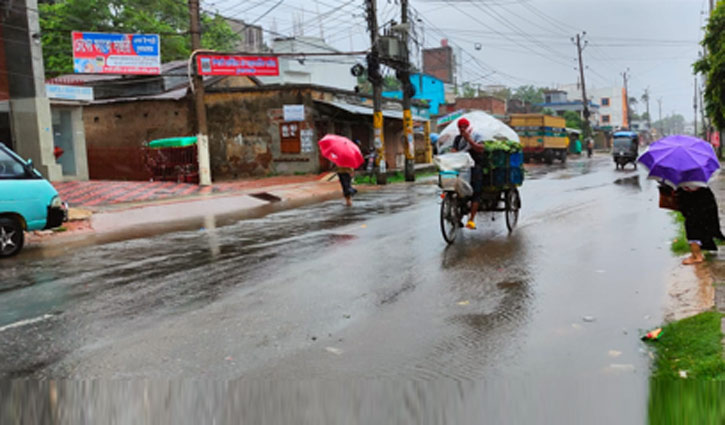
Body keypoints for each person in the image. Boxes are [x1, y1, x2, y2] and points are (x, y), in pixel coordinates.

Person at [675, 184, 725, 265]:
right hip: (704, 202)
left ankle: (697, 256)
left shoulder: (687, 183)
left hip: (696, 205)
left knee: (692, 229)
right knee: (700, 226)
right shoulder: (700, 182)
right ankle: (697, 253)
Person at [451, 118, 485, 230]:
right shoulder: (458, 139)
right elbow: (454, 150)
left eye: (464, 126)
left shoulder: (477, 135)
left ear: (468, 126)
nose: (462, 129)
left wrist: (469, 140)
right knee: (458, 190)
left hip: (475, 167)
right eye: (460, 127)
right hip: (462, 167)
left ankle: (471, 220)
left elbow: (481, 149)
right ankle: (458, 216)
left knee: (476, 192)